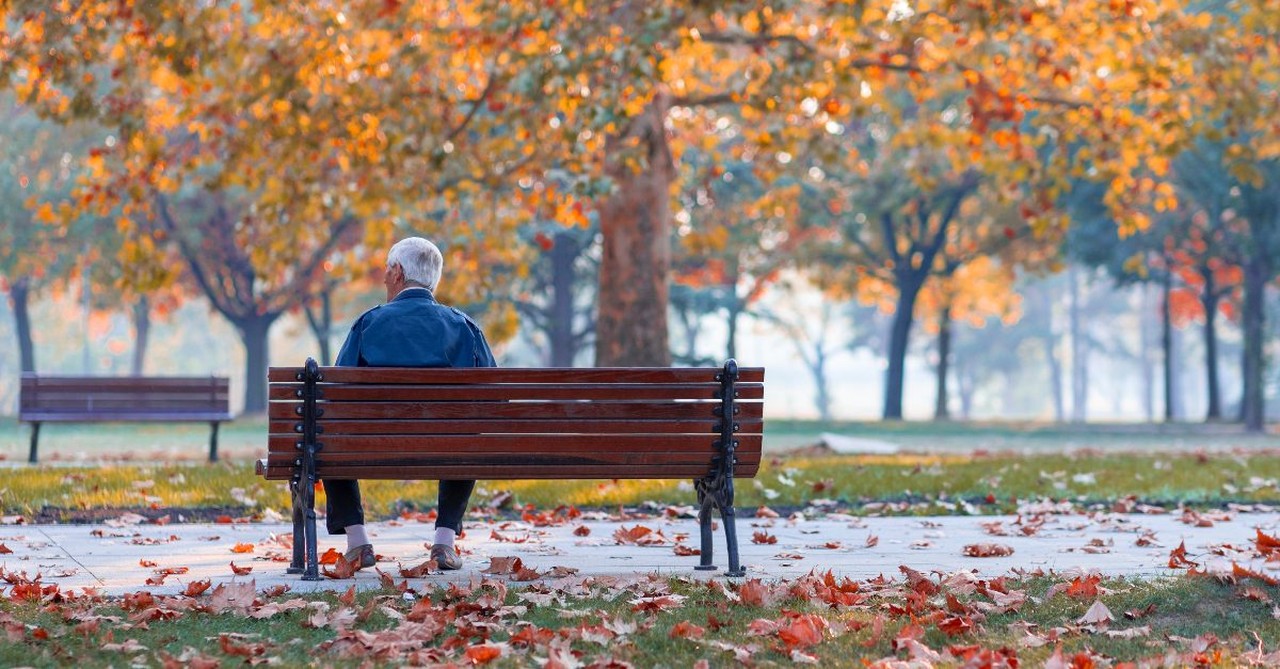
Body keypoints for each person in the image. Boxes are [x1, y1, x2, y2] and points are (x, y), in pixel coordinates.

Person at [322, 236, 497, 571]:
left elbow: (336, 395)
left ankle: (357, 542)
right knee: (466, 435)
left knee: (326, 437)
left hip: (371, 447)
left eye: (388, 270)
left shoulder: (369, 323)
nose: (385, 277)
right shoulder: (463, 326)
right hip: (449, 447)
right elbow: (494, 398)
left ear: (398, 272)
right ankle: (444, 542)